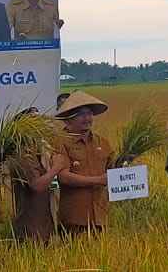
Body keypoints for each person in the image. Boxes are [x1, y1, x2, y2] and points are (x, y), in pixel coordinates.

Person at [54, 91, 116, 234]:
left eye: (89, 113)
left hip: (100, 215)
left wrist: (127, 162)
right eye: (81, 114)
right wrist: (98, 180)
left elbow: (113, 169)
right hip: (74, 218)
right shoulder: (59, 142)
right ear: (68, 120)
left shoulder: (102, 142)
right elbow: (63, 176)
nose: (87, 118)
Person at [8, 108, 66, 243]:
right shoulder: (22, 155)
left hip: (46, 223)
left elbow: (53, 184)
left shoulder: (42, 151)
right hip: (31, 228)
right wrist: (56, 167)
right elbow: (37, 185)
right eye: (35, 123)